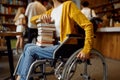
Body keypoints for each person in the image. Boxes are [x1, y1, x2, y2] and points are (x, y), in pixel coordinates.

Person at [15, 0, 94, 80]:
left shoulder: (68, 5)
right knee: (27, 46)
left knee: (30, 50)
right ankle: (21, 77)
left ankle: (22, 78)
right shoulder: (51, 11)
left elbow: (88, 25)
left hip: (65, 46)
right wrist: (41, 17)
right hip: (55, 45)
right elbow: (32, 19)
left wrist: (87, 49)